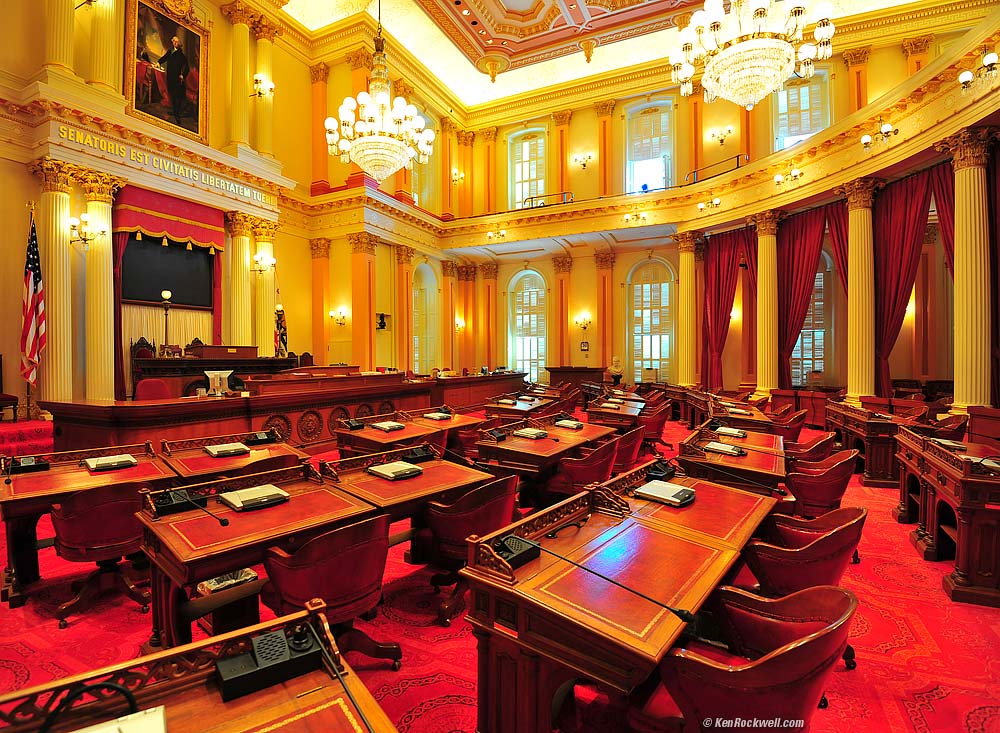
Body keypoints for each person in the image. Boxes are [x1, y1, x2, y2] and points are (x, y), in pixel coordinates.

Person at [158, 36, 189, 125]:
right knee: (171, 93)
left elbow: (187, 67)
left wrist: (183, 75)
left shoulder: (181, 55)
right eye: (173, 41)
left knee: (177, 96)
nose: (174, 43)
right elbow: (164, 58)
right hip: (170, 76)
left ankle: (177, 114)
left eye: (176, 41)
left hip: (177, 78)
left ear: (179, 43)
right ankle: (174, 110)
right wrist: (158, 62)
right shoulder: (170, 51)